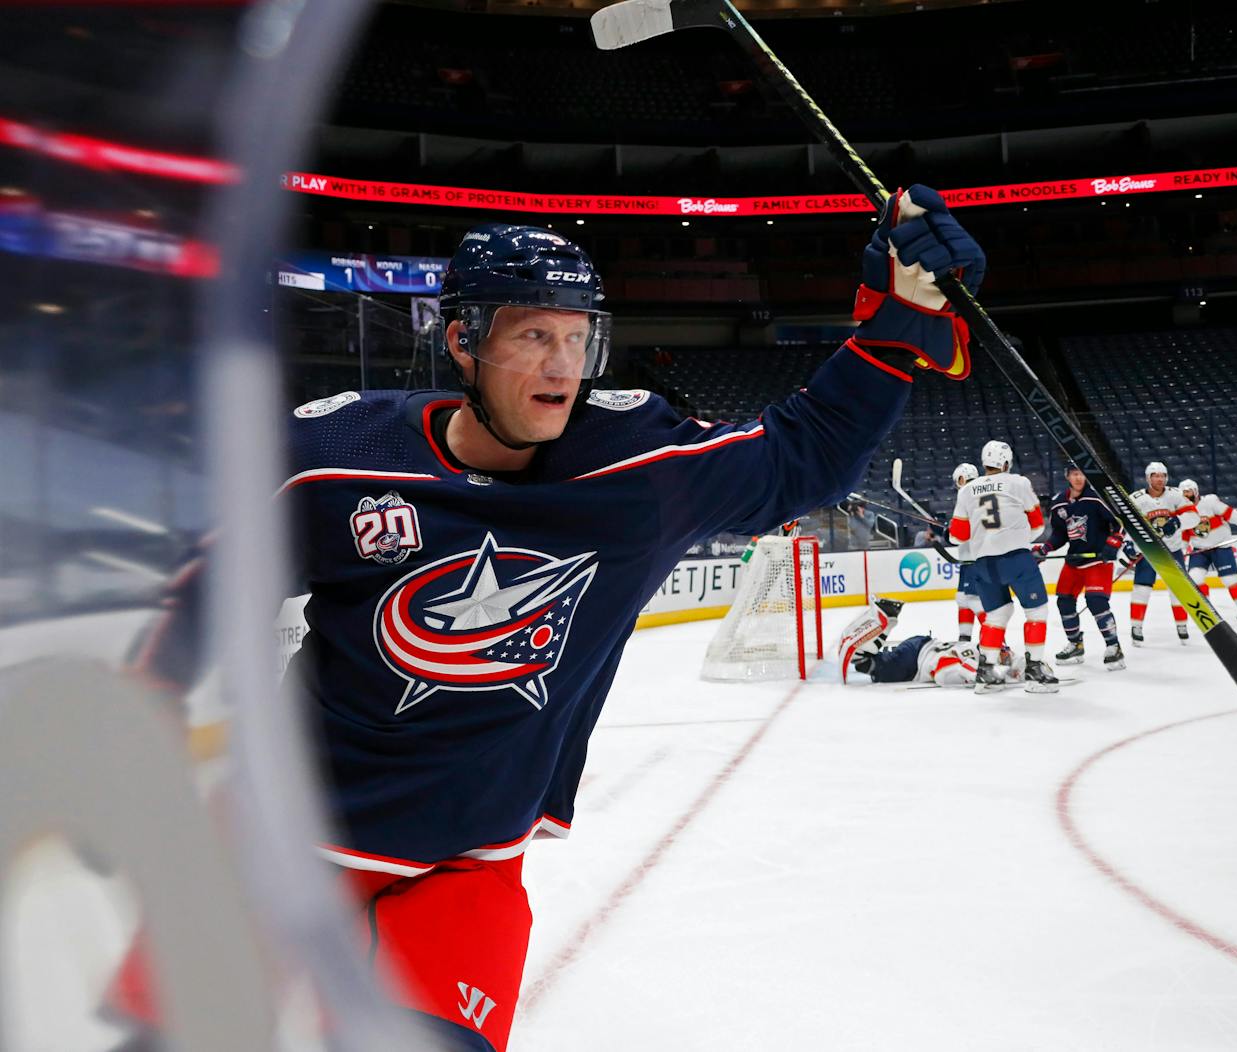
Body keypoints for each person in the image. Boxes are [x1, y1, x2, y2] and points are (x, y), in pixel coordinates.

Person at [103, 190, 981, 1052]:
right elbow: (207, 587)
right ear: (461, 341)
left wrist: (901, 319)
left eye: (577, 337)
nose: (563, 365)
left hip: (467, 865)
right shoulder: (338, 460)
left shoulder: (639, 470)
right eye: (532, 335)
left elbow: (805, 456)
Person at [948, 441, 1057, 693]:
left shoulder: (967, 491)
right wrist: (1018, 538)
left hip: (983, 564)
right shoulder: (1019, 483)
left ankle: (985, 674)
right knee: (1037, 612)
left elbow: (957, 536)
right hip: (1016, 559)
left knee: (997, 615)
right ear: (1006, 463)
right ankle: (1035, 671)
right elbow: (1038, 525)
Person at [1032, 464, 1126, 670]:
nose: (1079, 478)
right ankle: (1075, 644)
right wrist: (1046, 548)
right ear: (1067, 476)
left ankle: (1114, 647)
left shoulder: (1095, 498)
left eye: (1082, 474)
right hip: (1074, 561)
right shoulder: (1058, 503)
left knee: (1096, 602)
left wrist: (1115, 542)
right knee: (1064, 601)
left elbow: (1118, 523)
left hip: (1097, 561)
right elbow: (1059, 535)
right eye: (1075, 474)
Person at [835, 598, 1022, 687]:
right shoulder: (974, 657)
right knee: (868, 665)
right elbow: (944, 672)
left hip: (919, 647)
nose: (1006, 653)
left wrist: (1012, 671)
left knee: (879, 661)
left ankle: (887, 620)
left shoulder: (978, 649)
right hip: (914, 662)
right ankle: (880, 624)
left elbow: (1016, 662)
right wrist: (985, 677)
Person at [1124, 461, 1200, 646]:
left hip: (1172, 550)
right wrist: (1127, 543)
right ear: (1148, 478)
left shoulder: (1176, 495)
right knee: (1142, 589)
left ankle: (1182, 626)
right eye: (1155, 475)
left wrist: (1177, 522)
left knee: (1178, 590)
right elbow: (1127, 523)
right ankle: (1136, 627)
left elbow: (1194, 516)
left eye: (1162, 475)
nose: (1159, 479)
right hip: (1149, 551)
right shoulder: (1137, 498)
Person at [1177, 478, 1237, 624]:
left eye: (1188, 492)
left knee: (1230, 580)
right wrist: (1179, 550)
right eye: (1183, 493)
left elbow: (1229, 513)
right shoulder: (1183, 512)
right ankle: (1208, 612)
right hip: (1200, 550)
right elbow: (1184, 536)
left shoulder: (1209, 502)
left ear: (1195, 492)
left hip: (1221, 547)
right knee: (1194, 580)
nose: (1186, 495)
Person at [950, 462, 982, 642]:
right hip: (971, 560)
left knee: (974, 602)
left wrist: (950, 532)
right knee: (963, 599)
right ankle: (964, 640)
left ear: (961, 479)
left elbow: (959, 535)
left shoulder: (965, 494)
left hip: (974, 560)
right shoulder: (981, 494)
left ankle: (1000, 646)